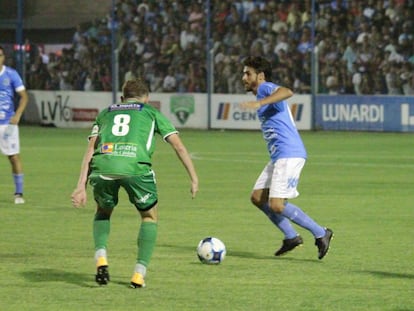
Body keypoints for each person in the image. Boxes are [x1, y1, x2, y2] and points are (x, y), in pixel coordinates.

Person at [71, 78, 199, 287]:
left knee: (103, 212)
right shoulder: (151, 112)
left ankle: (101, 258)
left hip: (103, 166)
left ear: (122, 98)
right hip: (135, 168)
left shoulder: (105, 113)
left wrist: (80, 186)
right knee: (149, 217)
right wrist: (193, 177)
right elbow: (179, 147)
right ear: (147, 99)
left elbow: (90, 150)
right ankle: (138, 275)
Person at [240, 56, 333, 259]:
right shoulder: (262, 94)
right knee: (257, 197)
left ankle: (321, 233)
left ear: (260, 76)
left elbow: (287, 91)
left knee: (276, 204)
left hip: (289, 154)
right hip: (279, 156)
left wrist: (260, 103)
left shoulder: (265, 88)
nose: (244, 77)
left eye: (248, 73)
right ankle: (291, 237)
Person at [0, 45, 28, 204]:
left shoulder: (10, 74)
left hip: (7, 124)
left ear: (3, 57)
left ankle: (19, 193)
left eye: (0, 55)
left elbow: (24, 97)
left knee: (13, 157)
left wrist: (17, 115)